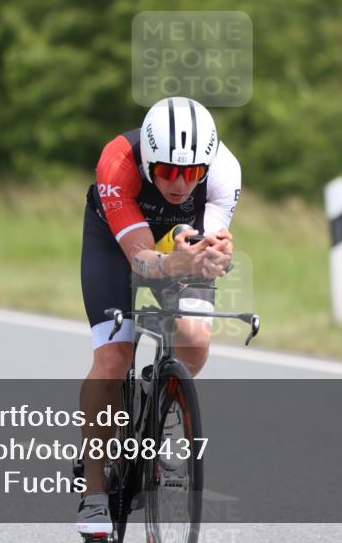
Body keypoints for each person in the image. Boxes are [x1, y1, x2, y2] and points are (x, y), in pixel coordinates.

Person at [75, 96, 240, 537]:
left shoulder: (224, 170)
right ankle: (94, 491)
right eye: (167, 170)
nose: (181, 184)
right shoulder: (118, 162)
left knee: (195, 341)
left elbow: (203, 241)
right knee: (114, 358)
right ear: (149, 160)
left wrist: (212, 256)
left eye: (192, 173)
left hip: (176, 242)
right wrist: (173, 263)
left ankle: (163, 405)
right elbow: (140, 259)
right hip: (117, 244)